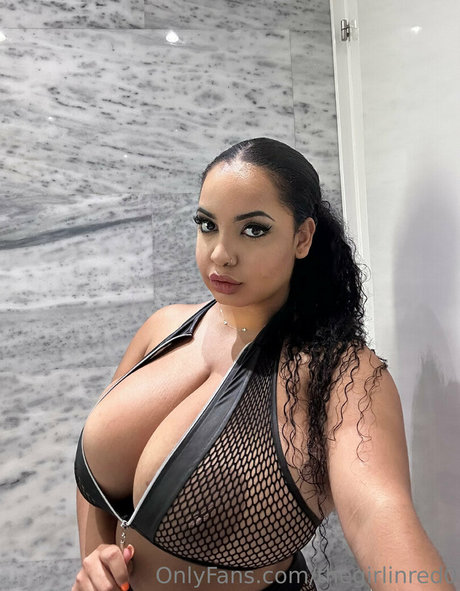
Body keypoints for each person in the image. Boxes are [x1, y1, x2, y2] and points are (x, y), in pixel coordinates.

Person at [72, 138, 455, 591]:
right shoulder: (163, 328)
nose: (221, 253)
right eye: (207, 225)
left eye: (253, 230)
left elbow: (378, 514)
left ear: (302, 238)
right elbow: (94, 480)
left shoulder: (344, 377)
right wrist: (95, 559)